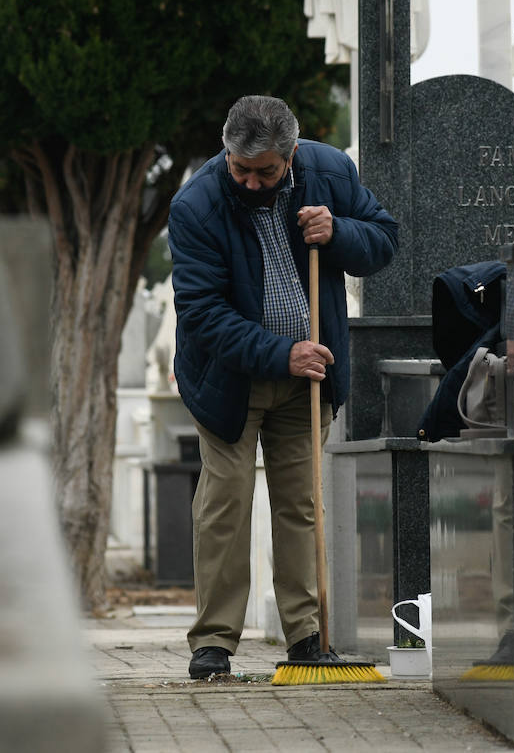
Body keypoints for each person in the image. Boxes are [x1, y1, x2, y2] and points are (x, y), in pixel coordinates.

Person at [167, 95, 398, 678]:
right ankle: (213, 643)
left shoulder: (329, 172)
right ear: (226, 152)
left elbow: (384, 240)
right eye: (238, 169)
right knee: (225, 503)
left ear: (292, 155)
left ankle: (306, 637)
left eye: (264, 171)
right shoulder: (196, 205)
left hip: (309, 378)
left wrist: (339, 230)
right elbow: (202, 312)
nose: (248, 181)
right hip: (228, 381)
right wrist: (280, 353)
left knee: (301, 502)